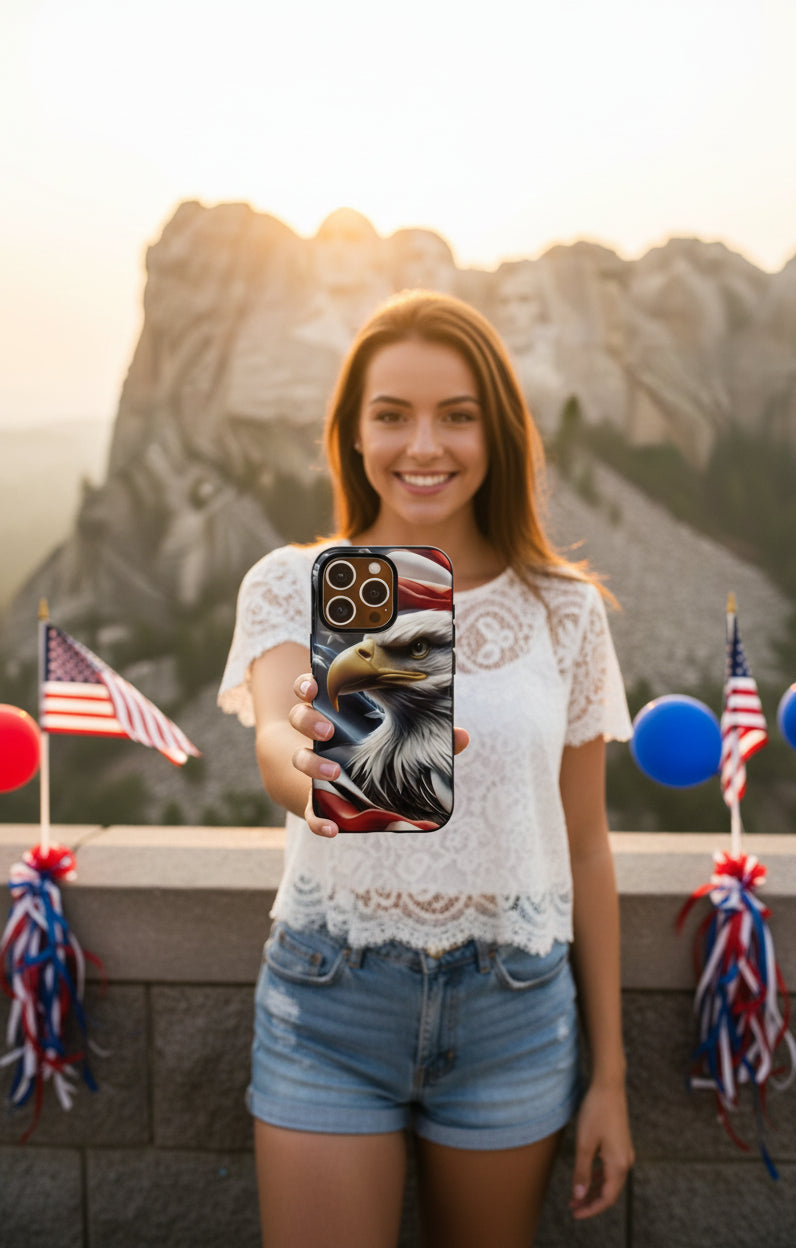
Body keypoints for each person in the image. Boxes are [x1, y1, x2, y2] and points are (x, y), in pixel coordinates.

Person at [218, 290, 634, 1248]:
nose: (424, 446)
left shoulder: (564, 611)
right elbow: (278, 749)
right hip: (328, 1002)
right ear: (353, 433)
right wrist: (319, 759)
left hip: (516, 1015)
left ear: (498, 430)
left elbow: (587, 845)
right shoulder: (292, 582)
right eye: (392, 415)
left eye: (457, 415)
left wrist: (609, 1081)